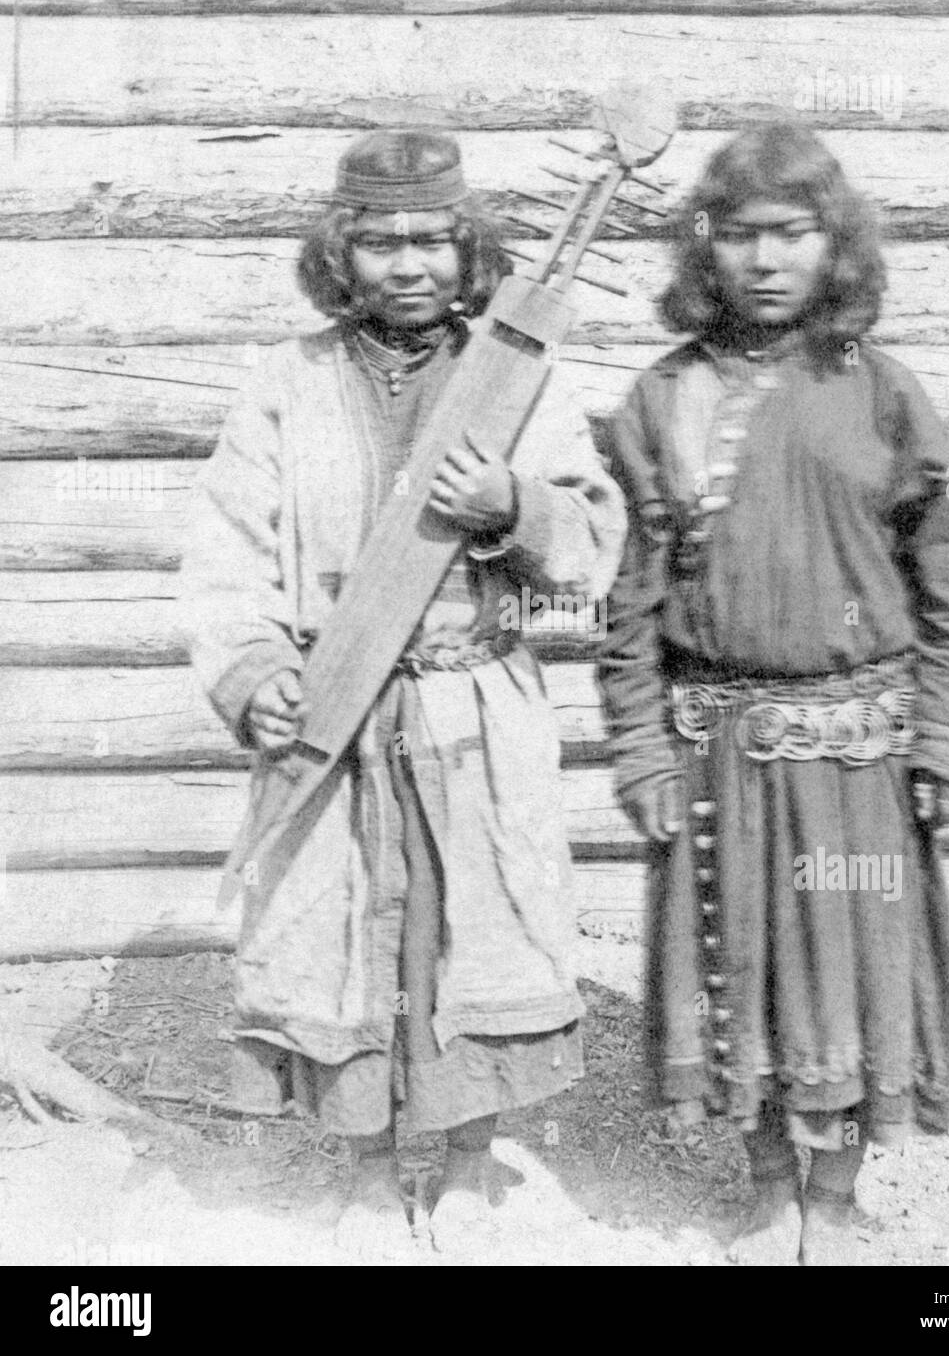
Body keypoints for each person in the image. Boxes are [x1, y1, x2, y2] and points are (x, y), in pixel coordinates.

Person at [181, 130, 625, 1256]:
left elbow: (591, 542)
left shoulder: (521, 373)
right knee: (342, 938)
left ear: (467, 246)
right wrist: (255, 674)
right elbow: (228, 550)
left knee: (469, 933)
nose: (409, 264)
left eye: (431, 237)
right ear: (342, 253)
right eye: (379, 241)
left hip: (472, 712)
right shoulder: (287, 381)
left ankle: (470, 1165)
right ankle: (372, 1172)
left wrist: (512, 504)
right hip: (333, 712)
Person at [596, 116, 949, 1265]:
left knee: (848, 969)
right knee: (742, 968)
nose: (765, 261)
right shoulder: (662, 400)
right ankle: (766, 1188)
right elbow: (629, 605)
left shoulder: (879, 394)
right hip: (713, 752)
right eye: (738, 236)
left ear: (836, 246)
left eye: (792, 234)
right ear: (703, 248)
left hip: (861, 761)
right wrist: (635, 748)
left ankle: (834, 1197)